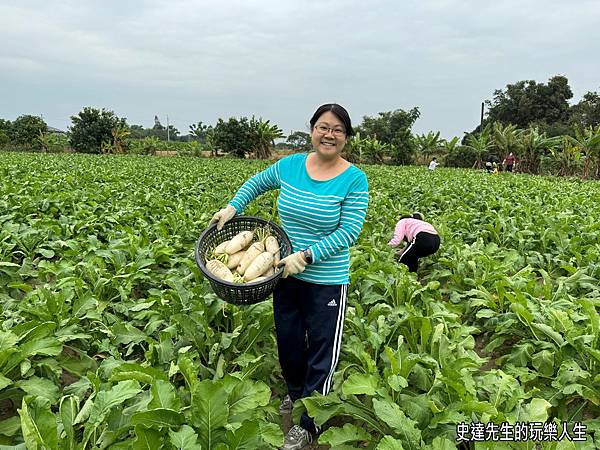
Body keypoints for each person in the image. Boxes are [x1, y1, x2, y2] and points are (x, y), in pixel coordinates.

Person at [210, 103, 369, 449]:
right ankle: (296, 394)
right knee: (290, 342)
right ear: (312, 130)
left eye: (338, 130)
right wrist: (232, 207)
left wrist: (308, 256)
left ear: (346, 138)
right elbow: (256, 182)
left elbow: (350, 231)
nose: (329, 134)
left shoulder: (353, 178)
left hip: (326, 278)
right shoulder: (291, 165)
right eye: (323, 127)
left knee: (322, 352)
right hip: (281, 272)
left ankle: (310, 423)